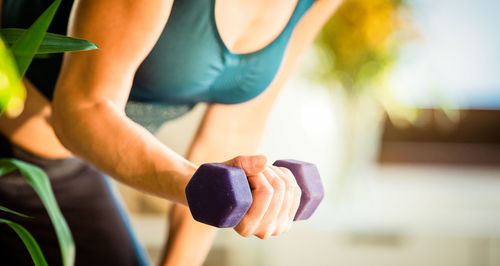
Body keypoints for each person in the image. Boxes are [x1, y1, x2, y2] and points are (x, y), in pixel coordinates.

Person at [0, 0, 341, 265]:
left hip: (69, 170)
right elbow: (84, 109)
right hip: (14, 156)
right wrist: (202, 187)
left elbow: (234, 130)